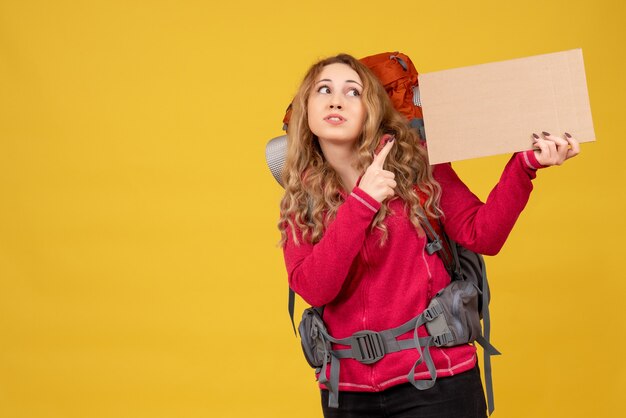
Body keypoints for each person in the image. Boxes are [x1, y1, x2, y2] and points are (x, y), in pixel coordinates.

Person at [277, 53, 579, 418]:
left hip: (437, 380)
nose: (336, 99)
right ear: (306, 110)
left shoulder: (418, 165)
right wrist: (363, 201)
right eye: (323, 89)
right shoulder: (301, 196)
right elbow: (314, 288)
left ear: (371, 109)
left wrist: (525, 166)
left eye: (353, 91)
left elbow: (483, 235)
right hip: (347, 392)